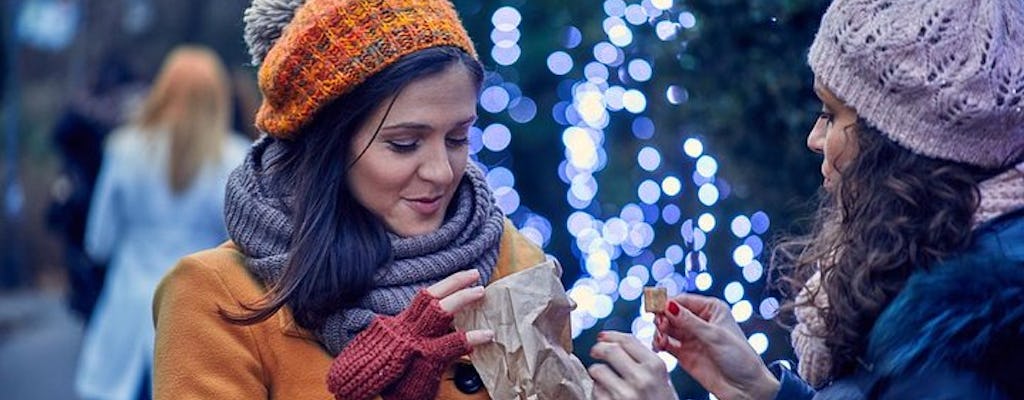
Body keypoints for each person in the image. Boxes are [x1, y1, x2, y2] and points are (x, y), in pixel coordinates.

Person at [587, 0, 1024, 399]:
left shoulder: (970, 341)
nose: (814, 139)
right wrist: (760, 391)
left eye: (832, 114)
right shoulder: (936, 273)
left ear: (900, 142)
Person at [151, 1, 555, 399]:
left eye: (457, 138)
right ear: (327, 145)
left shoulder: (514, 262)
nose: (442, 171)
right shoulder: (215, 295)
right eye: (404, 144)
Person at [76, 46, 250, 400]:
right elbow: (242, 249)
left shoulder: (124, 150)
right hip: (200, 318)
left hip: (128, 308)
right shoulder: (236, 158)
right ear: (218, 97)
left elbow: (99, 241)